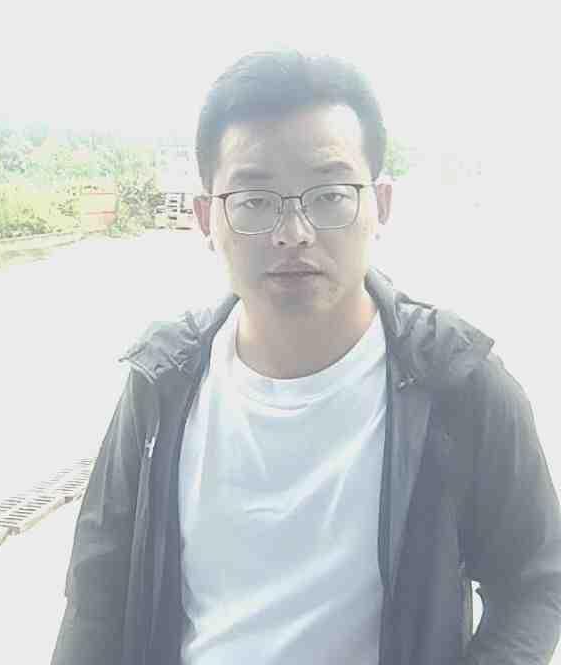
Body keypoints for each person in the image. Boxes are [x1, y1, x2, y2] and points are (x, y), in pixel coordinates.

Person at [51, 50, 561, 665]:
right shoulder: (163, 384)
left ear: (380, 205)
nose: (293, 232)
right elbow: (96, 600)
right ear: (207, 218)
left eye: (329, 195)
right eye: (255, 200)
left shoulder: (457, 383)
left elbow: (536, 582)